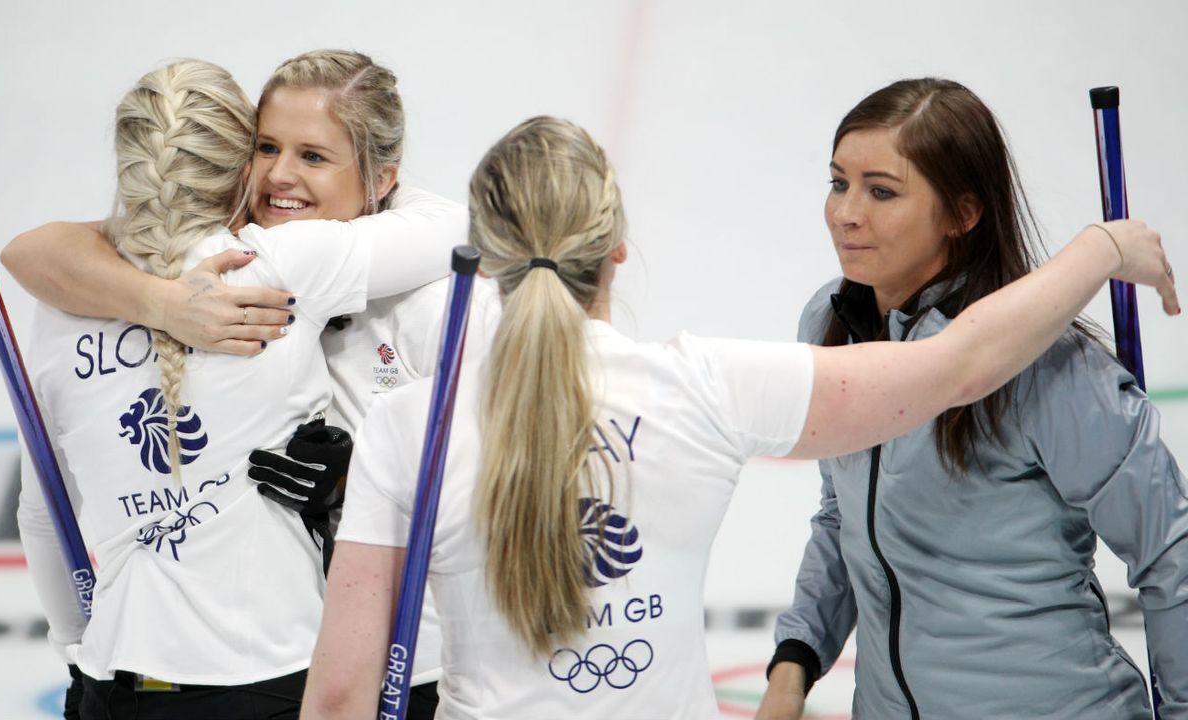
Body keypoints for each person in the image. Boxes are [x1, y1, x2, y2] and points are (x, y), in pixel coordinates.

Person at [297, 116, 1177, 720]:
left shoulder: (408, 424)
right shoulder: (702, 387)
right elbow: (958, 366)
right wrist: (1103, 249)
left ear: (484, 255)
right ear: (617, 245)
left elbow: (340, 698)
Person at [4, 50, 491, 717]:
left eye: (314, 157)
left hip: (413, 662)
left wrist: (367, 483)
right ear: (237, 159)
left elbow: (504, 485)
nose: (281, 176)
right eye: (266, 147)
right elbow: (36, 251)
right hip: (290, 669)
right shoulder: (272, 261)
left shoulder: (425, 297)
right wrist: (158, 302)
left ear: (381, 176)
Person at [755, 78, 1188, 720]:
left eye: (882, 191)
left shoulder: (1052, 367)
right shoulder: (831, 321)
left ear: (963, 214)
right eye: (838, 182)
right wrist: (794, 665)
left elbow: (1171, 557)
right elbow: (843, 517)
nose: (847, 212)